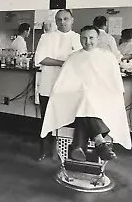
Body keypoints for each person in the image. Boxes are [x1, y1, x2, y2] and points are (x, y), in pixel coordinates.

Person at [40, 26, 132, 161]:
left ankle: (78, 146)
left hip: (101, 102)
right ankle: (99, 140)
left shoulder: (108, 57)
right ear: (79, 39)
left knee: (87, 101)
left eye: (91, 38)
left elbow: (115, 84)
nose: (87, 41)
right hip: (75, 100)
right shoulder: (73, 58)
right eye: (83, 38)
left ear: (98, 39)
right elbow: (63, 83)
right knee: (85, 99)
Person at [34, 9, 83, 161]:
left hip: (70, 87)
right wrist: (65, 62)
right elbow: (40, 59)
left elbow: (82, 61)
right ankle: (44, 150)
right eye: (59, 19)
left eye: (65, 19)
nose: (62, 22)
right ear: (55, 21)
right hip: (48, 84)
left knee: (70, 119)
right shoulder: (47, 37)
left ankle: (68, 152)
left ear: (72, 20)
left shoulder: (78, 38)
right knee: (46, 119)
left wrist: (58, 62)